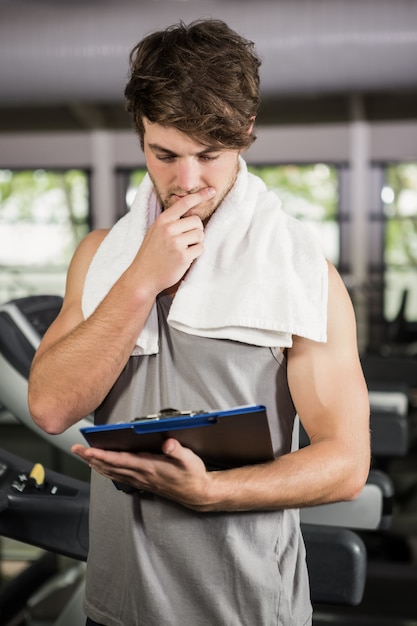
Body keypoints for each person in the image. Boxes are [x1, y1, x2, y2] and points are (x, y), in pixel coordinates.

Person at [28, 19, 370, 626]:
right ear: (141, 139)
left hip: (246, 612)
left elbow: (346, 462)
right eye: (165, 154)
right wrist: (140, 279)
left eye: (208, 156)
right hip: (114, 610)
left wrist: (211, 493)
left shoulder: (301, 271)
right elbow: (52, 408)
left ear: (244, 133)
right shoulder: (102, 257)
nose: (186, 182)